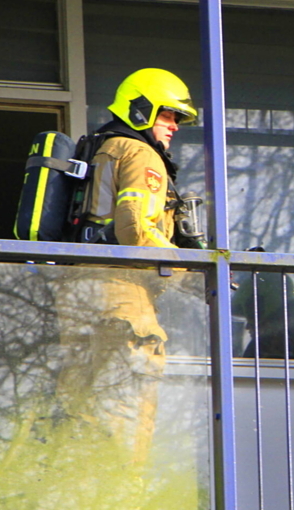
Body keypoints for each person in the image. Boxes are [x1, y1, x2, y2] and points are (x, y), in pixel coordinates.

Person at [51, 68, 198, 466]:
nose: (174, 127)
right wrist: (189, 273)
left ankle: (77, 492)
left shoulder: (100, 147)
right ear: (141, 109)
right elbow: (134, 227)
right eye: (168, 116)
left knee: (80, 404)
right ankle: (118, 505)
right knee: (126, 403)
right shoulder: (141, 153)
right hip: (119, 291)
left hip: (78, 287)